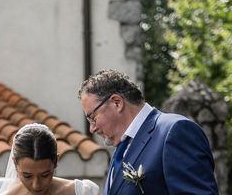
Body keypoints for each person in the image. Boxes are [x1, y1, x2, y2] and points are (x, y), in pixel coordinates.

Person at [79, 69, 219, 194]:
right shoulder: (121, 151)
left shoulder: (175, 131)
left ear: (117, 102)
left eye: (93, 117)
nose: (92, 128)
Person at [0, 123, 100, 195]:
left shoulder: (84, 192)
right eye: (27, 176)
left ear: (56, 161)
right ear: (15, 164)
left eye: (44, 175)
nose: (36, 185)